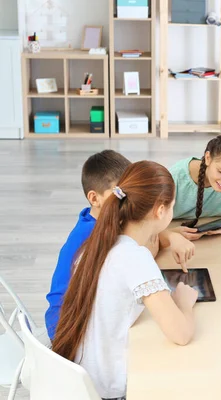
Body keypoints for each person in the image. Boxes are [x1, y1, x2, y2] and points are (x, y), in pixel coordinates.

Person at [52, 161, 199, 399]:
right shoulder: (135, 257)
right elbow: (181, 335)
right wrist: (183, 303)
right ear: (160, 211)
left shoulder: (98, 241)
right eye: (172, 207)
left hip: (80, 373)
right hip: (108, 388)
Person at [45, 150, 131, 340]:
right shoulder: (89, 235)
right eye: (120, 194)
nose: (128, 202)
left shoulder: (99, 220)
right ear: (94, 198)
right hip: (67, 327)